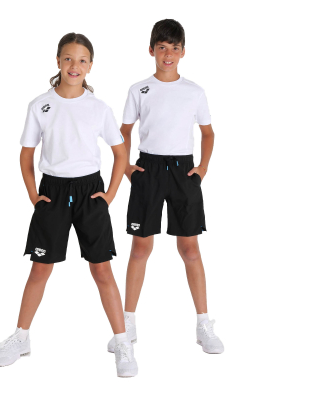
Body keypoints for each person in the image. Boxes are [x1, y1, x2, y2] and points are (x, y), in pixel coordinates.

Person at [0, 33, 138, 377]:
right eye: (68, 58)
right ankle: (21, 337)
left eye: (82, 60)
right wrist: (33, 195)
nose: (75, 65)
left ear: (90, 66)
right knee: (40, 268)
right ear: (58, 61)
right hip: (52, 192)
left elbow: (119, 153)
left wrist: (110, 194)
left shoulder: (99, 108)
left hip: (90, 192)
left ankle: (122, 342)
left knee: (102, 270)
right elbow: (26, 154)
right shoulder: (40, 105)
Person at [107, 19, 224, 355]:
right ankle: (127, 323)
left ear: (183, 52)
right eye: (162, 48)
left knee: (190, 249)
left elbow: (208, 133)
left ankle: (203, 323)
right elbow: (123, 131)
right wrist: (127, 167)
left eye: (174, 48)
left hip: (183, 171)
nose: (168, 54)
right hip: (149, 169)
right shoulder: (139, 89)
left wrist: (202, 168)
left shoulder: (194, 92)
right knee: (140, 248)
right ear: (151, 50)